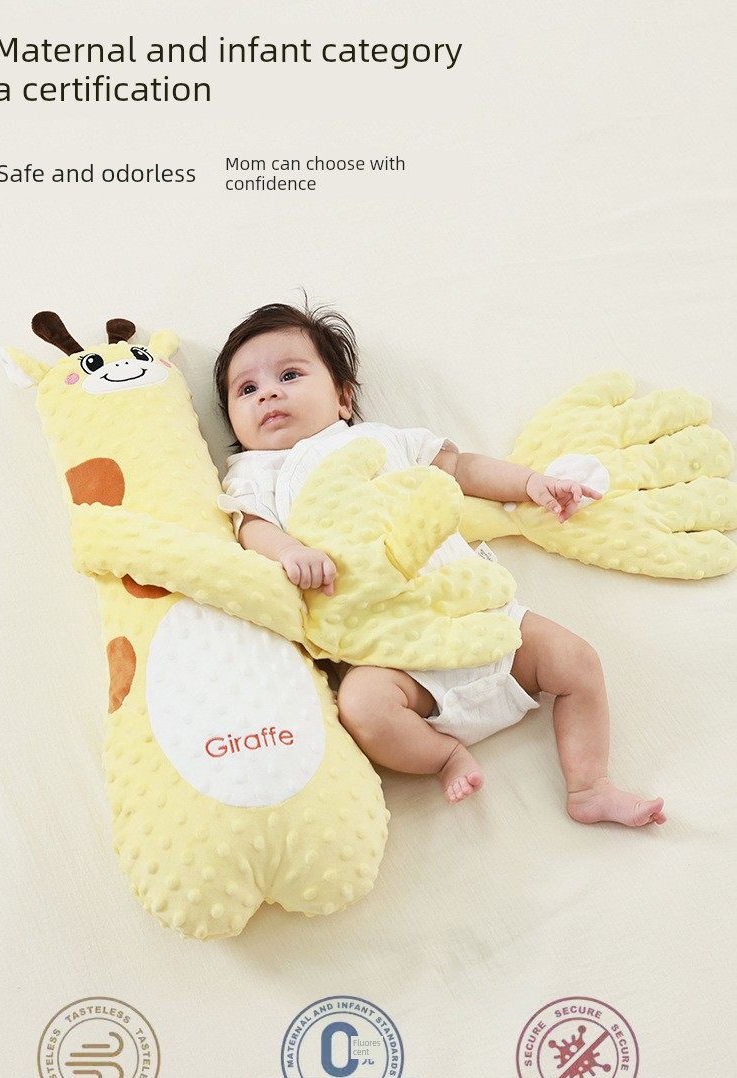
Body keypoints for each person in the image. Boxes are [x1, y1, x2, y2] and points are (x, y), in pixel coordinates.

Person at [214, 301, 666, 827]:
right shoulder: (255, 472)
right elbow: (250, 526)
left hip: (476, 615)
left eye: (289, 375)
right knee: (361, 706)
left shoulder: (383, 438)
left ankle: (590, 786)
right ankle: (444, 755)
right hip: (393, 654)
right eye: (247, 389)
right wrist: (291, 552)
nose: (268, 393)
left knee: (577, 659)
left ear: (343, 397)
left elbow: (460, 467)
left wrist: (529, 483)